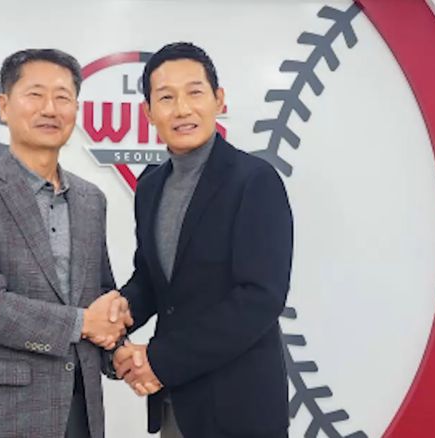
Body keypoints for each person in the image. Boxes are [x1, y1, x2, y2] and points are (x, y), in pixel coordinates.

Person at [0, 48, 132, 438]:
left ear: (76, 109)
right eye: (35, 94)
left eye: (62, 97)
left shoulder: (91, 199)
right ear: (4, 106)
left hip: (80, 408)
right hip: (0, 413)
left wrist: (119, 350)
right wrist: (82, 323)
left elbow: (99, 295)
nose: (50, 109)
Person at [113, 42, 294, 438]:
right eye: (166, 97)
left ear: (218, 99)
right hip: (175, 403)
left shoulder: (254, 180)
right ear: (148, 113)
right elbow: (152, 281)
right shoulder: (150, 185)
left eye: (194, 92)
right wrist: (119, 312)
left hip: (240, 407)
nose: (182, 109)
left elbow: (259, 298)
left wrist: (160, 360)